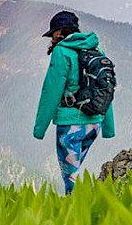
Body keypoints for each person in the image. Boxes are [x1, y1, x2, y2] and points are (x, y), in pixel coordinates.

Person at [33, 10, 115, 194]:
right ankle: (81, 210)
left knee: (71, 180)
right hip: (94, 124)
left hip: (70, 126)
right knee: (74, 174)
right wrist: (108, 126)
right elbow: (105, 89)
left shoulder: (61, 51)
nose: (52, 38)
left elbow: (51, 91)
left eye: (53, 33)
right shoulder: (96, 49)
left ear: (60, 31)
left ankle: (77, 216)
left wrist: (39, 128)